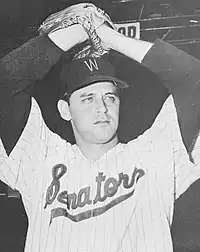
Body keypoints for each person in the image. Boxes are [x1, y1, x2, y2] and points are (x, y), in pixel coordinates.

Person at [0, 5, 200, 252]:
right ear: (65, 110)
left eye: (110, 97)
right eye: (87, 98)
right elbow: (6, 80)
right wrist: (77, 31)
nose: (102, 107)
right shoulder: (39, 157)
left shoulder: (154, 152)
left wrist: (106, 36)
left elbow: (193, 78)